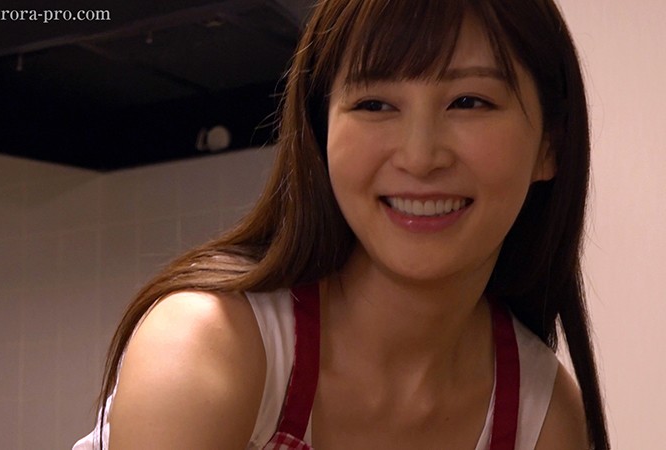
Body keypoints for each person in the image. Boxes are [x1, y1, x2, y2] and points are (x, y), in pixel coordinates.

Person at [74, 0, 609, 448]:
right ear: (320, 131)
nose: (420, 157)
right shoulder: (208, 347)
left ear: (549, 146)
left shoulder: (541, 418)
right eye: (375, 104)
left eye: (469, 101)